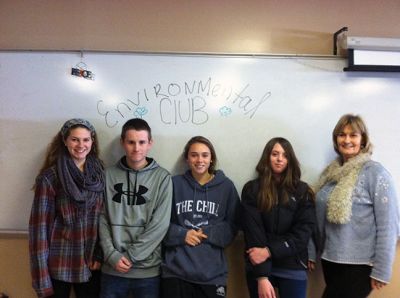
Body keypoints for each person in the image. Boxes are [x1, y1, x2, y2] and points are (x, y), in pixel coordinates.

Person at [311, 114, 399, 298]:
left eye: (354, 135)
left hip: (360, 266)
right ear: (336, 140)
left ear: (363, 140)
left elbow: (388, 225)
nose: (347, 140)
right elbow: (316, 217)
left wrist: (382, 269)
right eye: (342, 135)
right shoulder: (330, 174)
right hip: (330, 260)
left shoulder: (376, 173)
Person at [29, 118, 105, 298]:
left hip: (91, 263)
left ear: (92, 142)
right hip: (59, 265)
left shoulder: (100, 174)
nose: (81, 145)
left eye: (86, 139)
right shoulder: (50, 178)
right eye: (75, 139)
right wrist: (42, 279)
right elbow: (39, 230)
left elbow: (105, 218)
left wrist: (100, 254)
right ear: (64, 141)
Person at [99, 118, 173, 298]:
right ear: (122, 143)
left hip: (147, 273)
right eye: (131, 142)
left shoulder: (162, 178)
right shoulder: (107, 175)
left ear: (150, 143)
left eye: (141, 142)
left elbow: (160, 225)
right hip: (112, 270)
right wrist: (112, 256)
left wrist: (131, 257)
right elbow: (101, 218)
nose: (136, 148)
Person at [161, 136, 240, 298]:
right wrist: (183, 234)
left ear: (212, 159)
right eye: (194, 155)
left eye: (205, 155)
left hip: (212, 275)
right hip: (176, 273)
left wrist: (208, 233)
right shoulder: (173, 184)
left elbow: (233, 225)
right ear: (187, 158)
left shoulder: (226, 187)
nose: (199, 160)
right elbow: (158, 223)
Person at [241, 137, 316, 298]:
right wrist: (262, 277)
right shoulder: (252, 189)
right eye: (275, 154)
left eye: (285, 155)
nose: (280, 159)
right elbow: (254, 233)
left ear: (290, 160)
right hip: (259, 266)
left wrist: (269, 251)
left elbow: (302, 234)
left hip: (293, 265)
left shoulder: (302, 191)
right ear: (267, 157)